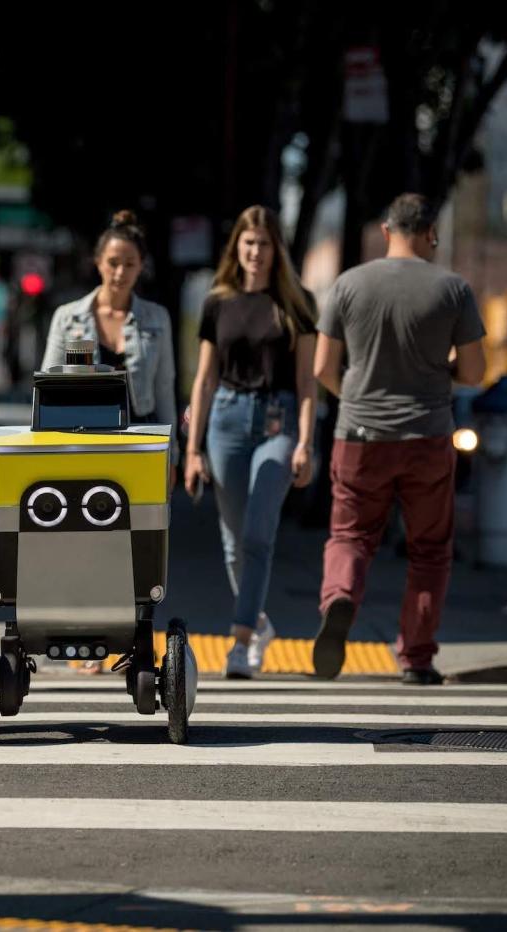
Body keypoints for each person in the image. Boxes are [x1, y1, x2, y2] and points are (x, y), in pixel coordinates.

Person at [313, 193, 486, 685]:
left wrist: (356, 396)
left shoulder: (349, 285)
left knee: (351, 534)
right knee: (429, 549)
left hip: (360, 435)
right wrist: (437, 370)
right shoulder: (453, 289)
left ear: (387, 232)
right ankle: (415, 656)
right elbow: (474, 371)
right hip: (427, 436)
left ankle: (341, 595)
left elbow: (323, 368)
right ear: (431, 233)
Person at [184, 205, 317, 679]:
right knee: (234, 543)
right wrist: (192, 449)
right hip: (224, 420)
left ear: (275, 249)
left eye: (264, 243)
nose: (256, 252)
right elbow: (203, 378)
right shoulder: (217, 301)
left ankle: (239, 643)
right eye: (248, 242)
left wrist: (305, 443)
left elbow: (307, 382)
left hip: (279, 425)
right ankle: (259, 621)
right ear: (236, 248)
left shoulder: (298, 303)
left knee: (259, 534)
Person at [41, 210, 177, 429]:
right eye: (113, 263)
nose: (120, 272)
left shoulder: (157, 318)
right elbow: (48, 388)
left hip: (142, 435)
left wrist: (172, 452)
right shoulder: (67, 317)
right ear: (98, 262)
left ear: (141, 266)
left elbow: (163, 390)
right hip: (84, 434)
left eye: (130, 264)